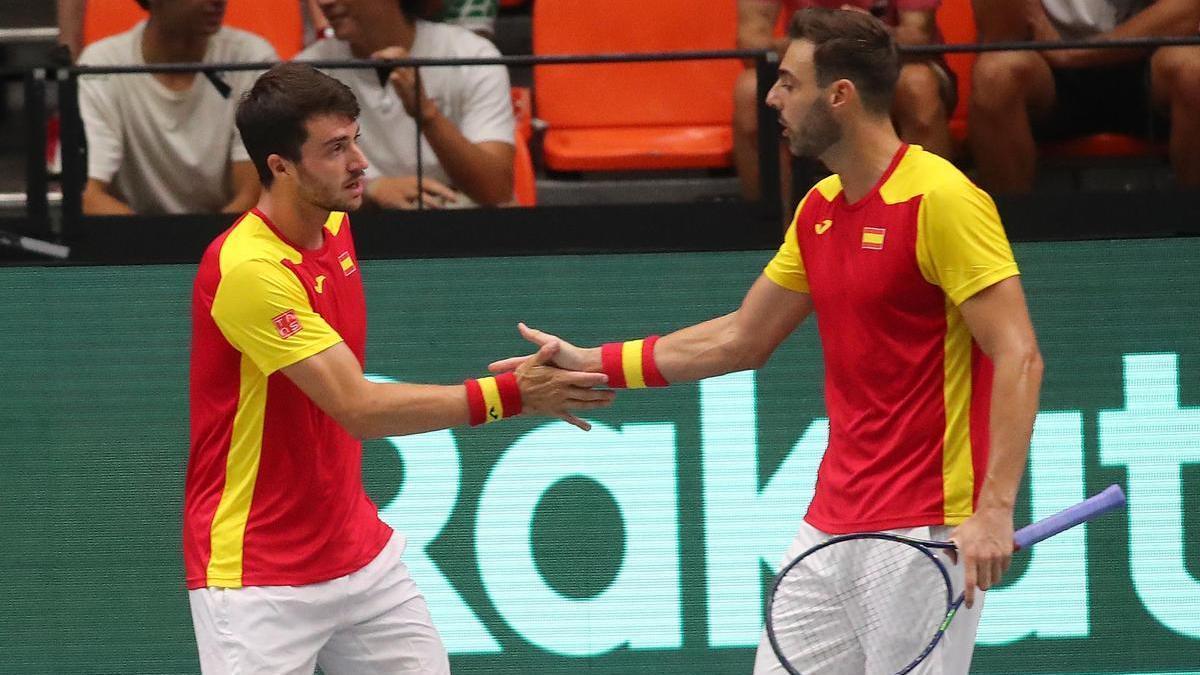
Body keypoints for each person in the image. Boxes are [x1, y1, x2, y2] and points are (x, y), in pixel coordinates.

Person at [491, 9, 1043, 673]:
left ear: (839, 95)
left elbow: (1018, 353)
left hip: (924, 528)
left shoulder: (943, 200)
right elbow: (738, 338)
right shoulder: (818, 211)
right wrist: (593, 362)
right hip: (829, 524)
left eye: (787, 82)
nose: (772, 96)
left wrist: (994, 510)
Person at [186, 62, 611, 673]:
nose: (360, 161)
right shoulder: (250, 271)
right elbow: (357, 407)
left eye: (355, 139)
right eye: (336, 149)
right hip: (257, 575)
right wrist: (511, 395)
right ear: (279, 166)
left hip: (359, 555)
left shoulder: (334, 225)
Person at [733, 0, 957, 203]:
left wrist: (863, 36)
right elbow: (750, 43)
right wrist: (825, 45)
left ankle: (926, 210)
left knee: (918, 85)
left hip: (894, 62)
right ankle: (776, 233)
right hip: (812, 64)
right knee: (750, 91)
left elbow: (918, 38)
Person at [300, 0, 515, 208]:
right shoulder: (304, 74)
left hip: (462, 224)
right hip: (359, 227)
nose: (323, 2)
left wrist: (427, 114)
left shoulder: (473, 56)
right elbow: (287, 181)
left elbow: (496, 191)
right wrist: (369, 189)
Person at [969, 0, 1200, 192]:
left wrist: (1074, 54)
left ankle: (1192, 233)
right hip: (1044, 62)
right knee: (995, 77)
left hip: (1144, 54)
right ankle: (1010, 236)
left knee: (1194, 72)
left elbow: (1186, 14)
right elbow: (1001, 33)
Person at [77, 0, 277, 215]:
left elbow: (255, 194)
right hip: (134, 243)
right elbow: (87, 195)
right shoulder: (100, 65)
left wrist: (209, 246)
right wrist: (157, 244)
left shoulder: (252, 58)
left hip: (228, 241)